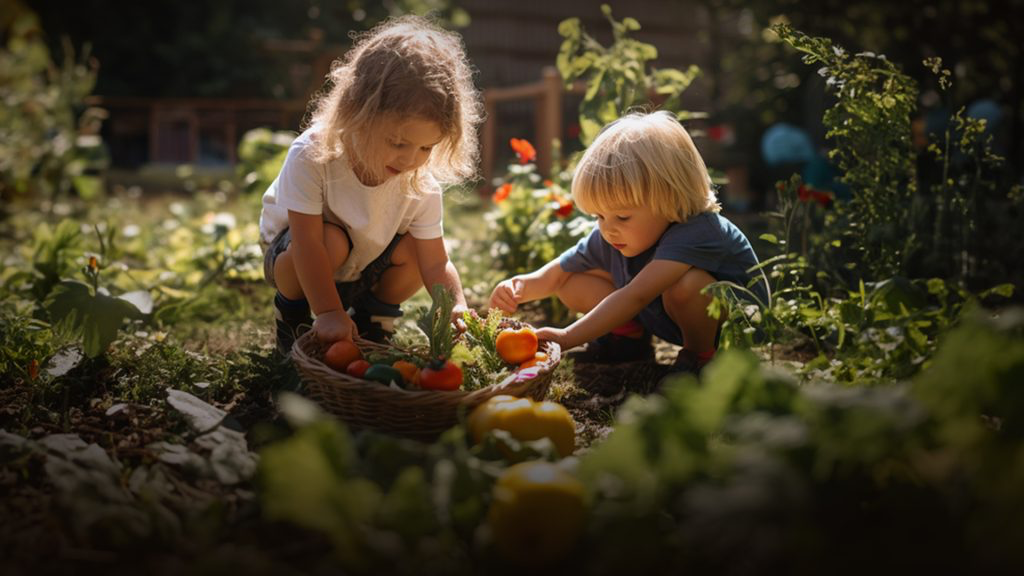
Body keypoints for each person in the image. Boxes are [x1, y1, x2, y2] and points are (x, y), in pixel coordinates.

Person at [259, 15, 483, 354]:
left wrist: (455, 304)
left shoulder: (419, 183)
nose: (411, 159)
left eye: (426, 147)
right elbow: (306, 244)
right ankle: (293, 315)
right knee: (330, 240)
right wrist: (329, 311)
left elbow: (436, 263)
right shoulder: (314, 154)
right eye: (397, 142)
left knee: (415, 251)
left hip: (364, 268)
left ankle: (371, 318)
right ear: (358, 115)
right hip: (300, 262)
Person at [489, 111, 768, 374]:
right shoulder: (612, 234)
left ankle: (699, 359)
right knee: (572, 281)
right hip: (667, 316)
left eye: (622, 216)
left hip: (734, 326)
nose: (608, 229)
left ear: (669, 198)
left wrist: (567, 336)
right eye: (599, 215)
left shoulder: (698, 231)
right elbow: (558, 272)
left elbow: (637, 295)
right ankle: (627, 341)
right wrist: (521, 286)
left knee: (686, 285)